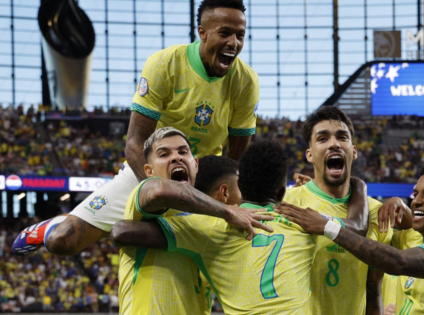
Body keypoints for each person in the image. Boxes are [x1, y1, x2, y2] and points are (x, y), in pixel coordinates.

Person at [13, 0, 260, 256]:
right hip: (150, 170)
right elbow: (134, 143)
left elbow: (237, 156)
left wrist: (219, 194)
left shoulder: (246, 81)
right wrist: (158, 192)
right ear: (202, 32)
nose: (234, 43)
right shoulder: (165, 64)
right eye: (225, 33)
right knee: (62, 242)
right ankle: (57, 222)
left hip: (203, 180)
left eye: (240, 35)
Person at [112, 140, 368, 314]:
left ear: (241, 187)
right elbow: (357, 226)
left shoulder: (209, 227)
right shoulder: (306, 222)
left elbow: (124, 232)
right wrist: (358, 184)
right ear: (281, 192)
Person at [277, 163, 424, 315]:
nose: (417, 201)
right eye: (415, 194)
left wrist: (328, 226)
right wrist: (316, 191)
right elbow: (372, 241)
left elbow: (396, 261)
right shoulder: (413, 238)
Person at [111, 127, 271, 315]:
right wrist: (227, 211)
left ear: (195, 164)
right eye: (164, 154)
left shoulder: (209, 225)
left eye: (183, 151)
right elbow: (159, 191)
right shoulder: (145, 197)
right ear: (149, 171)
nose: (176, 157)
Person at [281, 106, 394, 314]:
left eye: (342, 137)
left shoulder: (378, 213)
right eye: (322, 139)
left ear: (354, 151)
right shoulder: (287, 204)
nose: (334, 144)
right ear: (310, 155)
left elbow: (373, 288)